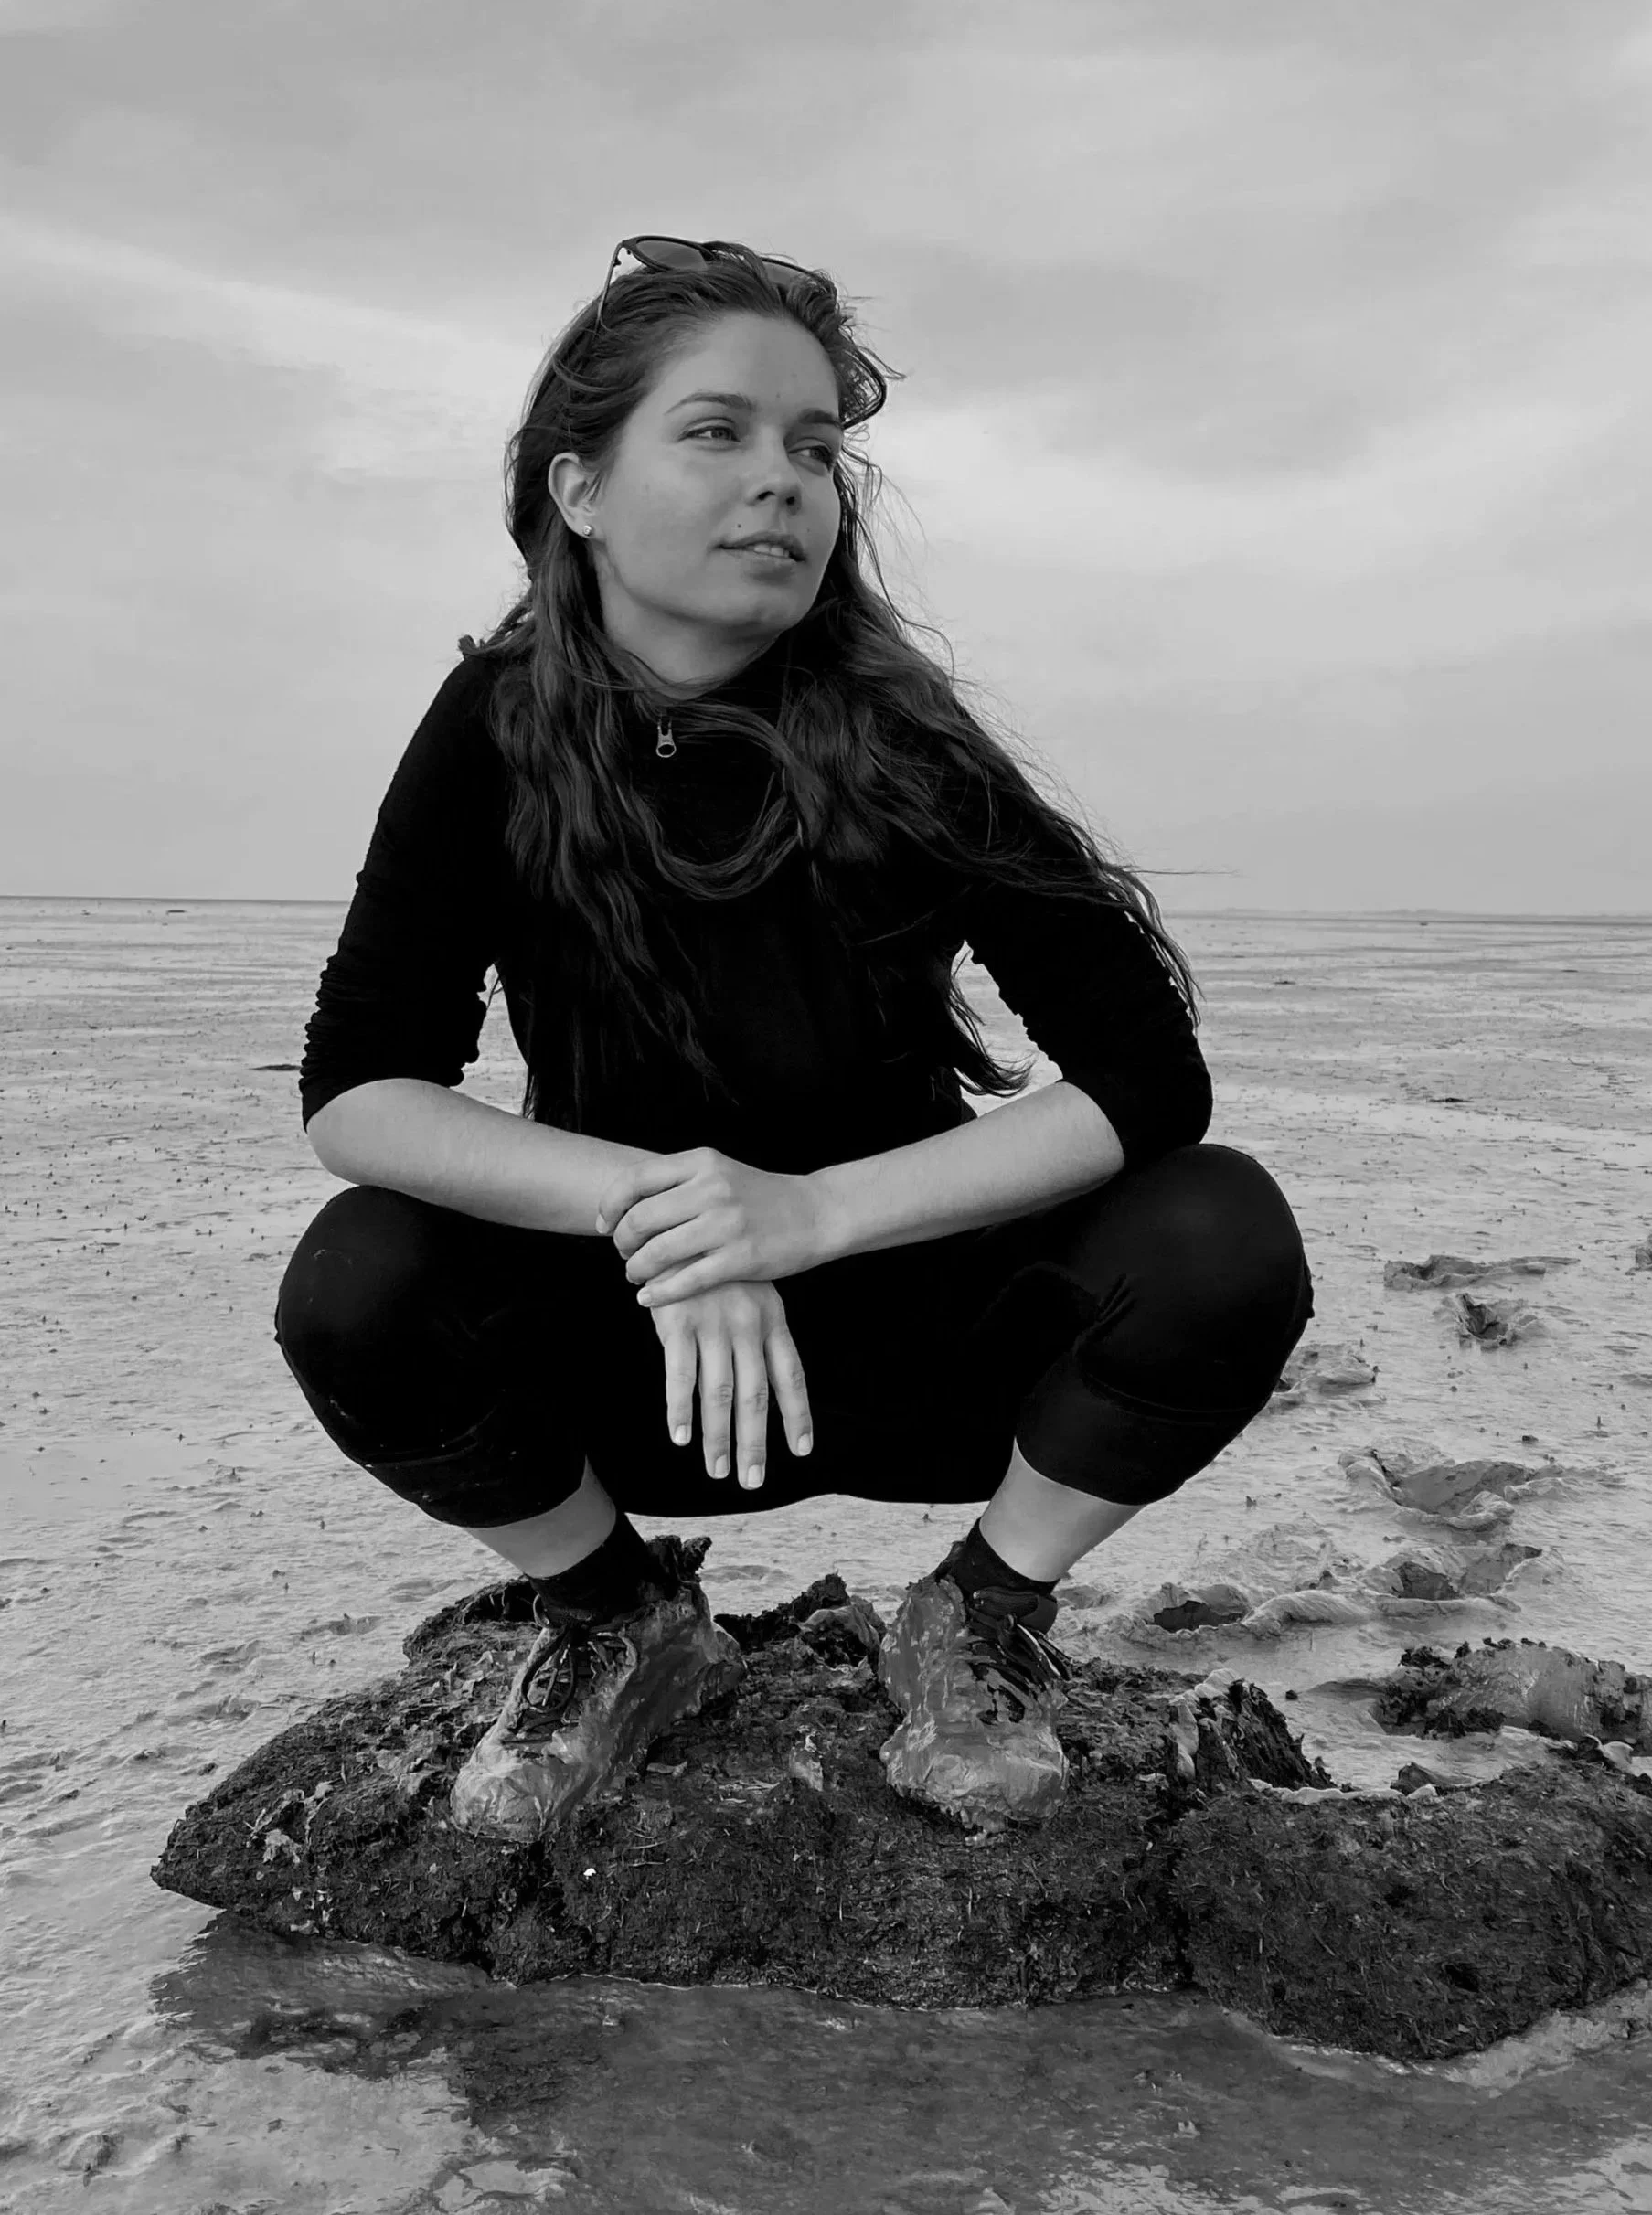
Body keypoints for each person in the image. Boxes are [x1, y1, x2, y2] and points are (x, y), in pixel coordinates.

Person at [275, 236, 1314, 1842]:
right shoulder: (492, 731)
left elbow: (1145, 1076)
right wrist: (672, 1211)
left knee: (1221, 1232)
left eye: (819, 448)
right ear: (579, 490)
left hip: (919, 1343)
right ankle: (619, 1619)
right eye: (720, 433)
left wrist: (811, 1214)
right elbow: (359, 1089)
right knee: (359, 1281)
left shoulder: (898, 736)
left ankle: (981, 1613)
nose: (788, 482)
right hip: (652, 1364)